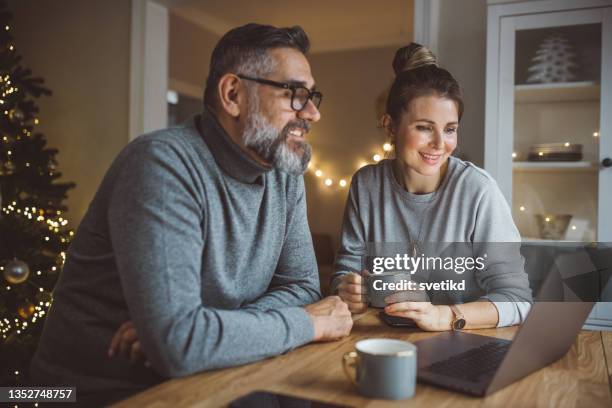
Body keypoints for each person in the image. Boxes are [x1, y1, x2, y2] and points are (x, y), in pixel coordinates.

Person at [30, 23, 352, 406]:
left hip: (216, 378)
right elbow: (180, 345)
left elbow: (302, 288)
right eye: (295, 95)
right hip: (97, 394)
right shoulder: (161, 165)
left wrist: (206, 329)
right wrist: (309, 322)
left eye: (312, 96)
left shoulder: (285, 171)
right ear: (233, 94)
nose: (313, 113)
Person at [333, 43, 532, 331]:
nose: (440, 144)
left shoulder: (479, 191)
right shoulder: (366, 185)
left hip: (465, 345)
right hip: (385, 340)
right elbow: (347, 270)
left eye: (450, 129)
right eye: (425, 127)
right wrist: (349, 290)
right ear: (390, 127)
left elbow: (517, 300)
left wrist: (444, 316)